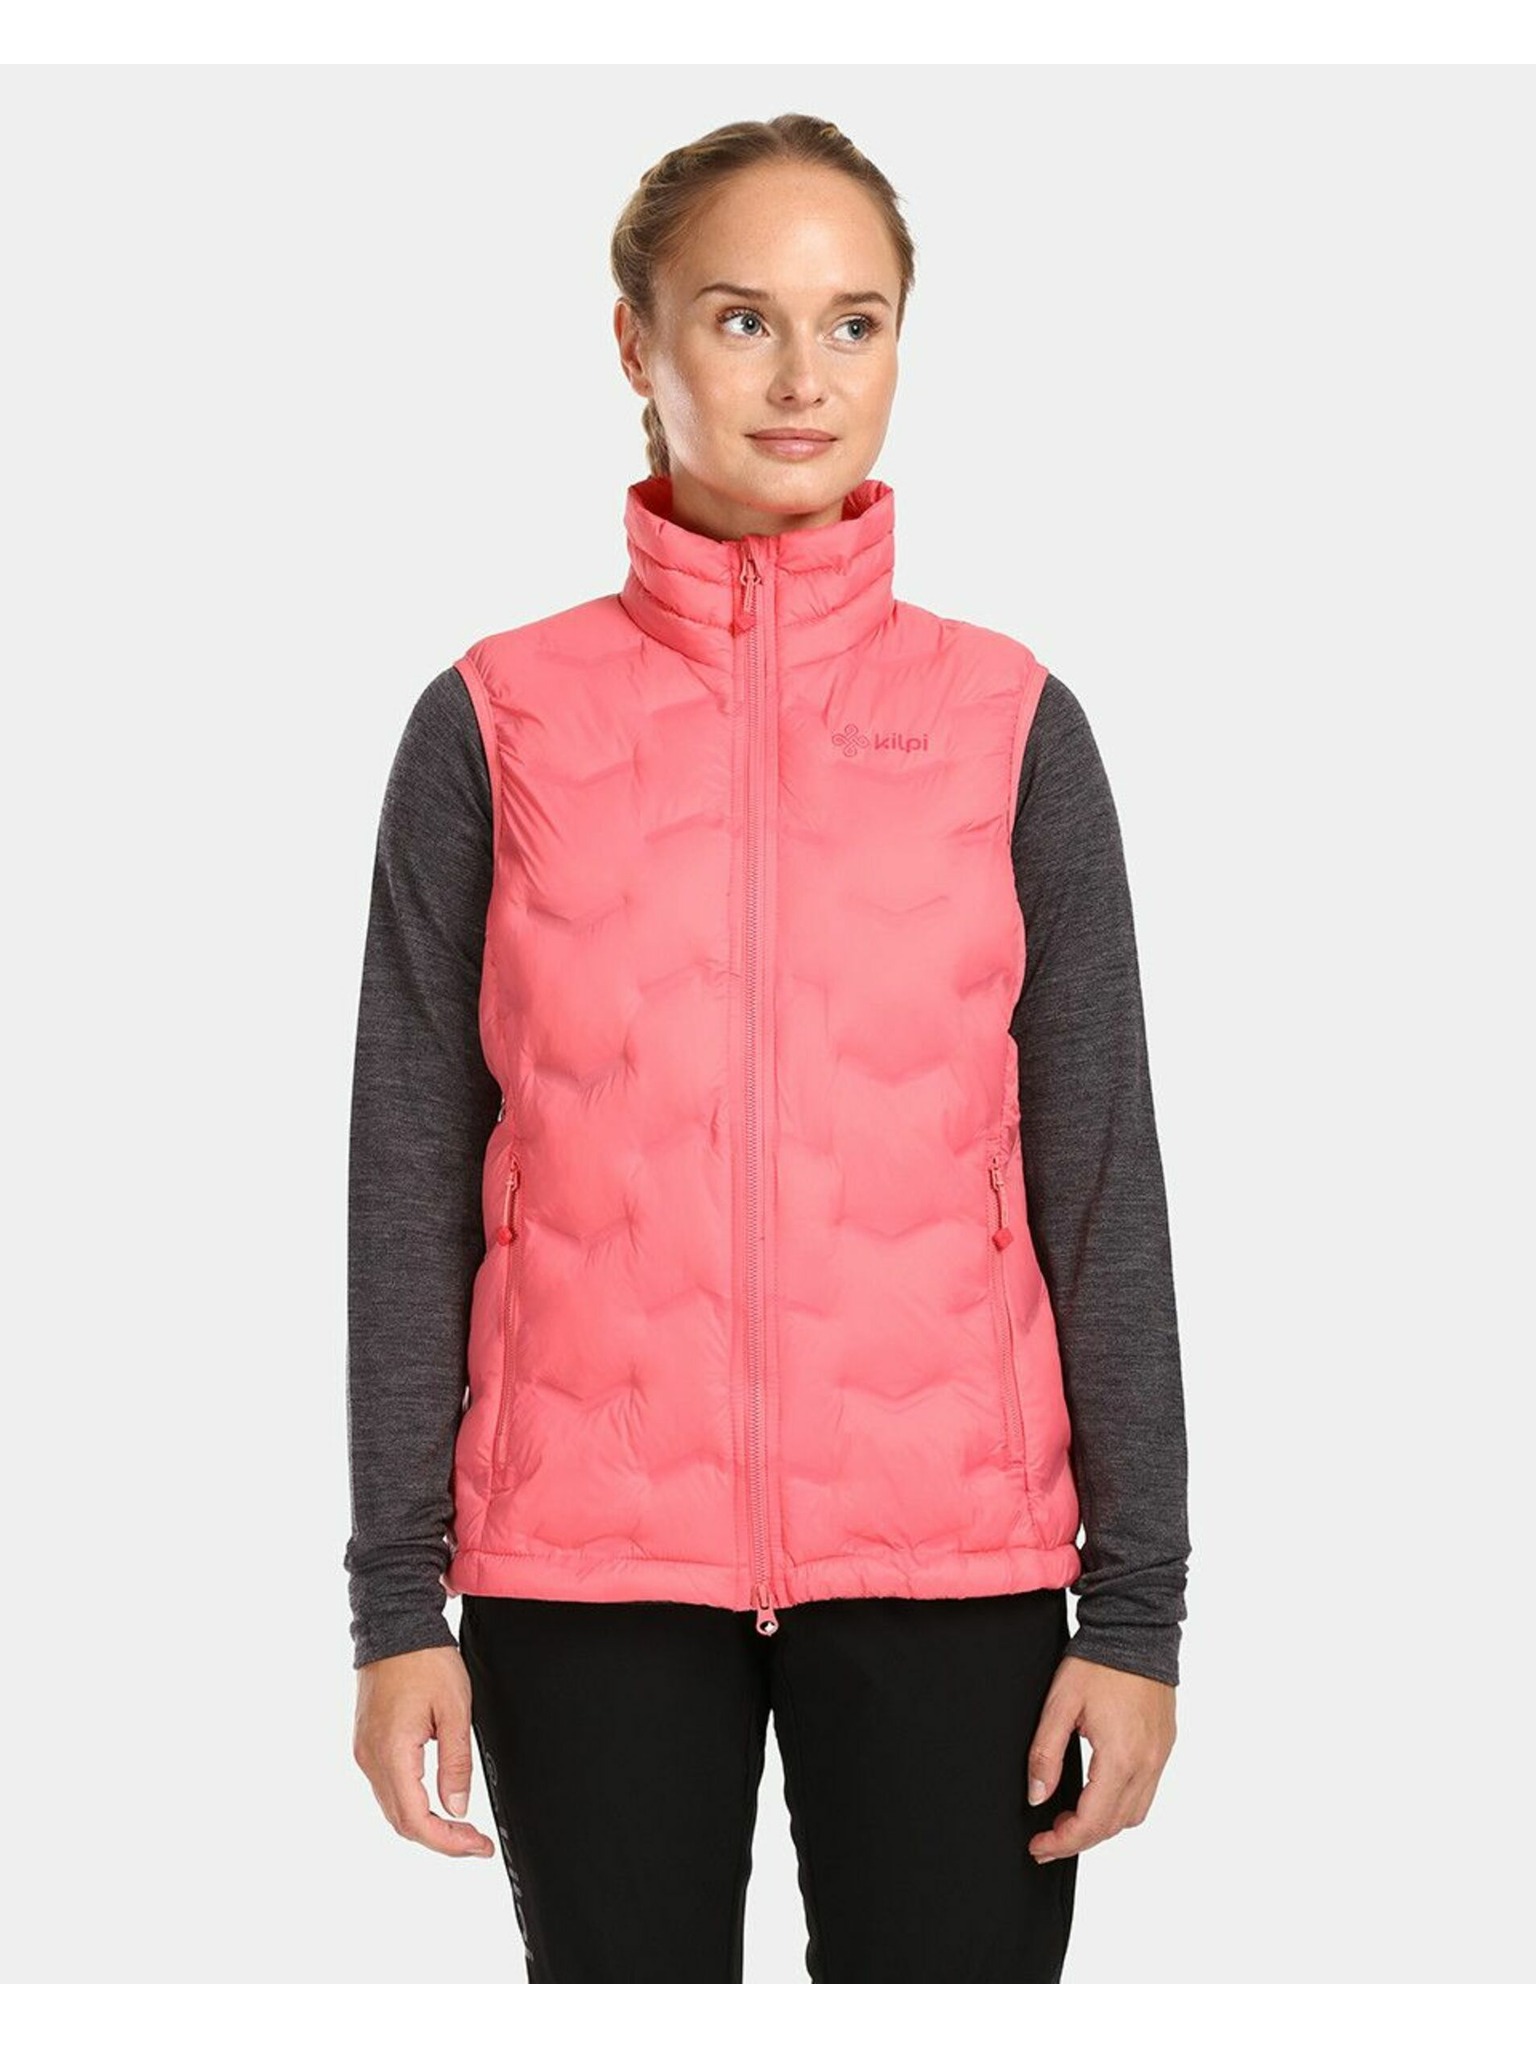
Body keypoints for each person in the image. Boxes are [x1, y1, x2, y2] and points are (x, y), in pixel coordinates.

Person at [345, 112, 1191, 1986]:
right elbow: (408, 1174)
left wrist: (1139, 1613)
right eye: (742, 319)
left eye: (854, 323)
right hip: (582, 1575)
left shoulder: (1009, 721)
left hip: (956, 1567)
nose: (805, 378)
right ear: (634, 343)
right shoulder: (494, 721)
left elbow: (1099, 1177)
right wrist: (396, 1602)